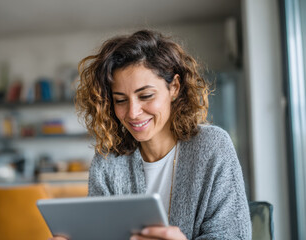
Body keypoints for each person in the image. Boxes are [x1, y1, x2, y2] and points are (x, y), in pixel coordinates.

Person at [51, 29, 251, 240]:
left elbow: (234, 235)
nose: (133, 112)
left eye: (145, 95)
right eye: (120, 100)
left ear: (174, 87)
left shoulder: (212, 146)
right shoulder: (108, 162)